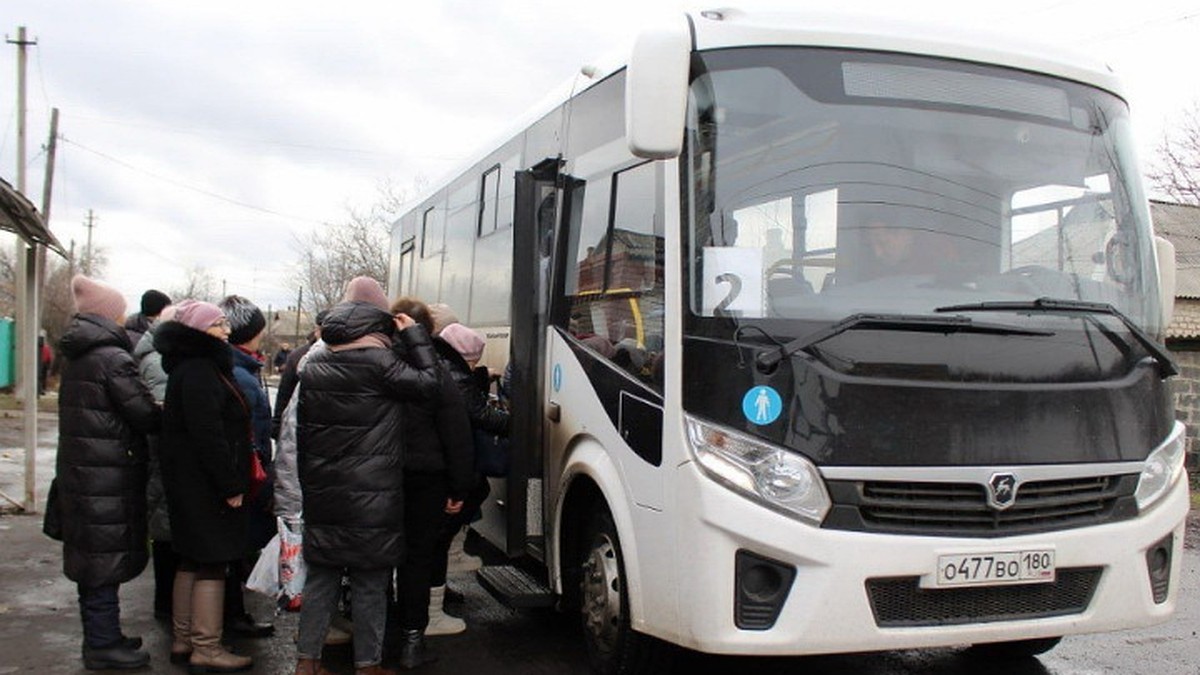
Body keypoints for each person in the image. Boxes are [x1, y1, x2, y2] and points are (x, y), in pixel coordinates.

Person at [294, 277, 442, 675]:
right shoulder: (381, 363)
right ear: (379, 318)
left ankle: (307, 662)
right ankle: (367, 665)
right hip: (372, 491)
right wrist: (415, 336)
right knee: (370, 580)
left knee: (321, 579)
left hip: (324, 490)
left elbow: (301, 432)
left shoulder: (316, 362)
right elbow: (430, 385)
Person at [51, 275, 160, 671]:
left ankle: (103, 635)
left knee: (92, 558)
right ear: (109, 314)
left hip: (83, 471)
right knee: (102, 559)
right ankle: (101, 644)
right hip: (107, 473)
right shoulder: (112, 358)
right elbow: (143, 412)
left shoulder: (79, 354)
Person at [156, 300, 255, 673]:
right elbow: (208, 434)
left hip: (189, 484)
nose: (227, 330)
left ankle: (185, 640)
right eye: (218, 324)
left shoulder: (187, 367)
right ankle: (207, 646)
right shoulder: (201, 370)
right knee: (212, 563)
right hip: (206, 487)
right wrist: (230, 483)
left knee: (191, 560)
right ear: (199, 330)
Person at [388, 298, 475, 650]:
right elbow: (457, 435)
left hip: (381, 477)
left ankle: (377, 641)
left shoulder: (379, 366)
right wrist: (459, 489)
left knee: (379, 559)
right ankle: (412, 641)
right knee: (418, 558)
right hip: (427, 480)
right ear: (430, 331)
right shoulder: (437, 372)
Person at [432, 322, 509, 622]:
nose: (473, 366)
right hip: (445, 465)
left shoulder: (444, 367)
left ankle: (432, 601)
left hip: (436, 464)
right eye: (472, 362)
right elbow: (477, 412)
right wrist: (517, 423)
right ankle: (430, 614)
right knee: (442, 532)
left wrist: (478, 376)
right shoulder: (454, 377)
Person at [217, 294, 276, 639]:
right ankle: (233, 617)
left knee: (235, 551)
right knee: (236, 550)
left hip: (241, 481)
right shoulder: (243, 375)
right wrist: (264, 487)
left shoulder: (237, 367)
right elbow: (251, 440)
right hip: (245, 483)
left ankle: (233, 614)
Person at [131, 304, 178, 621]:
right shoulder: (161, 362)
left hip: (160, 456)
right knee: (165, 529)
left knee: (164, 529)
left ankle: (167, 603)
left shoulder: (154, 355)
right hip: (165, 457)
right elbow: (167, 416)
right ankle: (167, 605)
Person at [271, 309, 328, 440]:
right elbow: (285, 392)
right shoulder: (298, 356)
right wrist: (277, 424)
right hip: (299, 425)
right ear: (317, 330)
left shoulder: (343, 354)